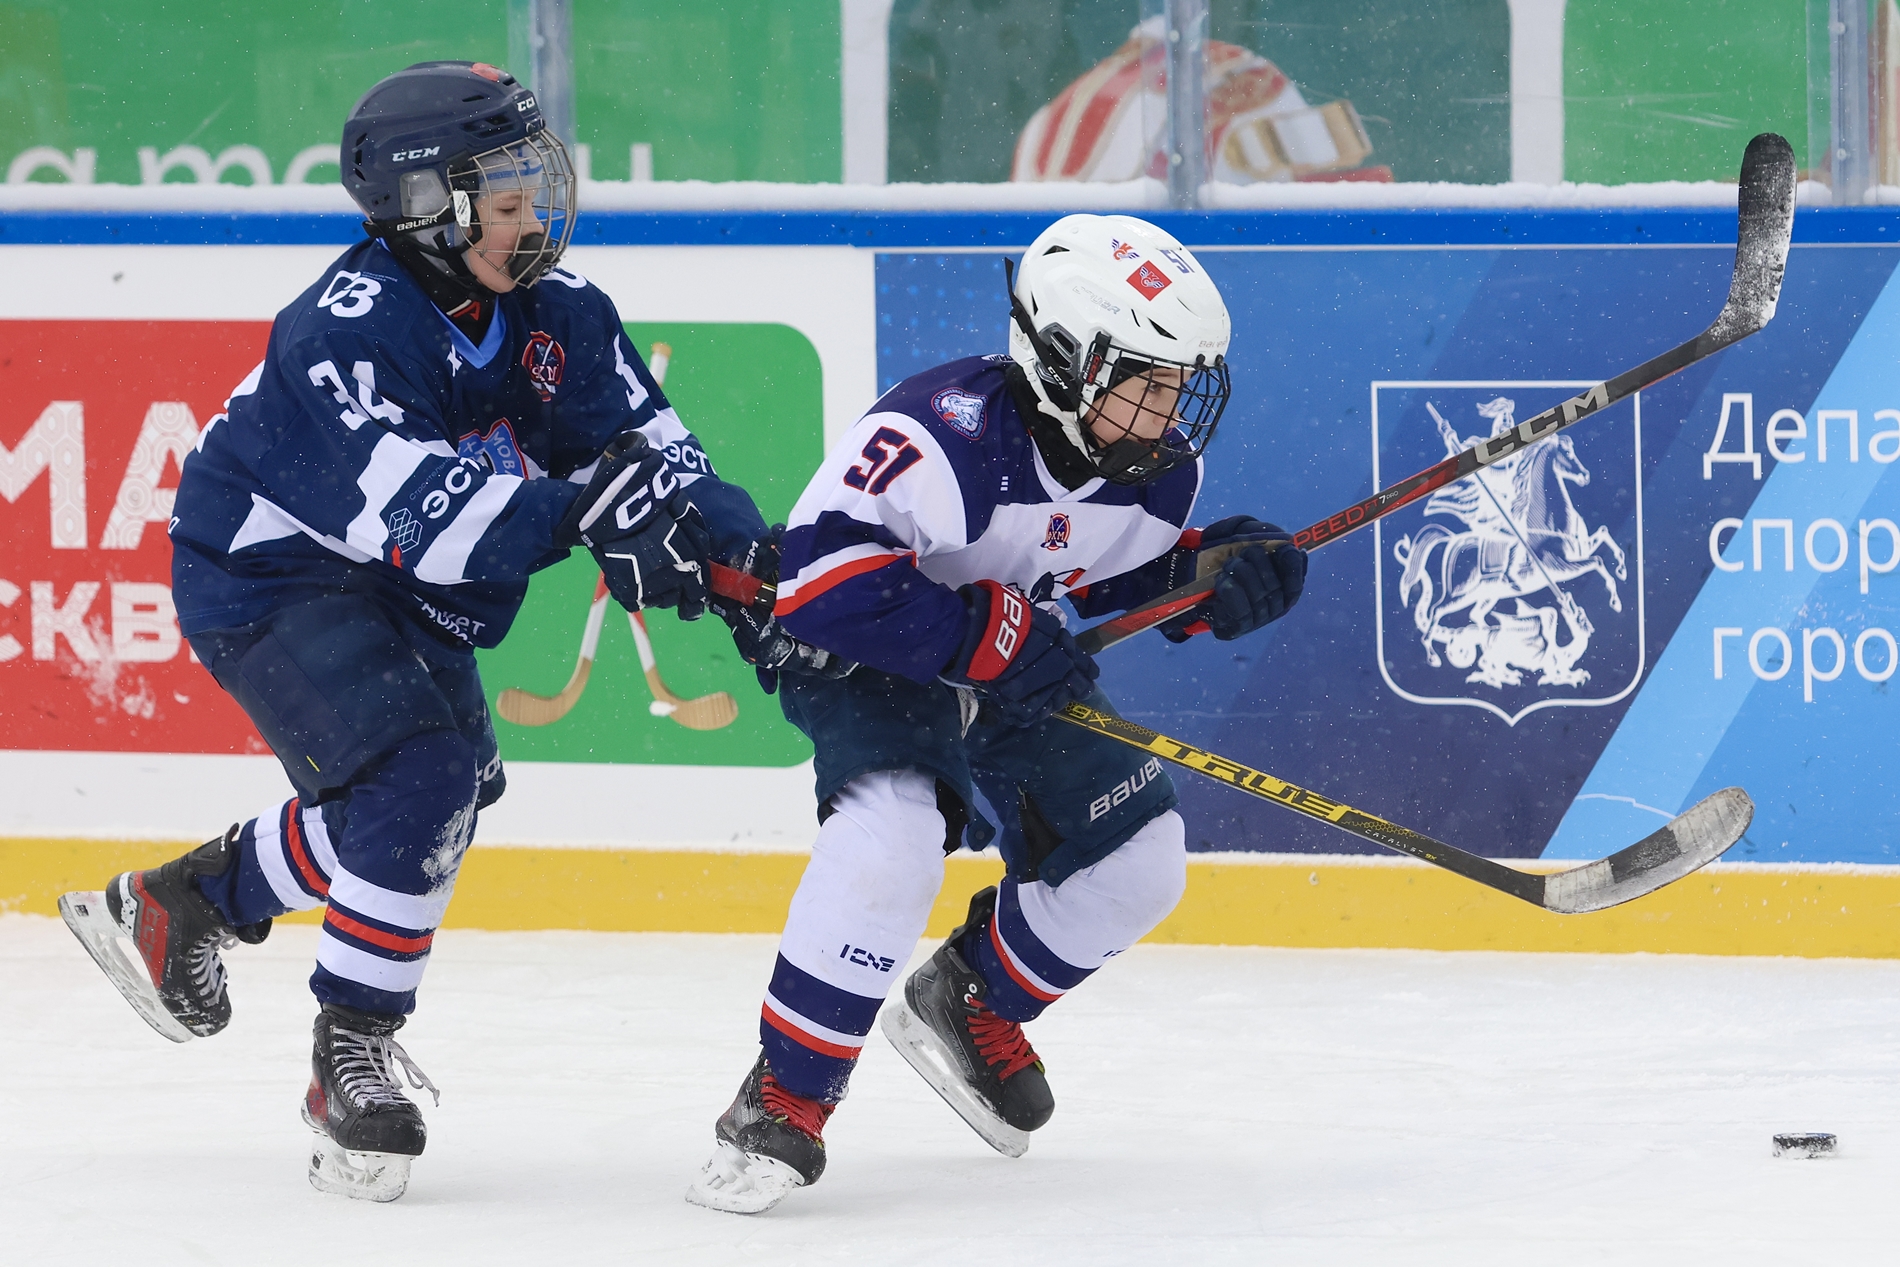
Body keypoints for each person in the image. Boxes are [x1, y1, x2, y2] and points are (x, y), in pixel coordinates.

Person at [58, 60, 766, 1203]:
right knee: (420, 782)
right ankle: (350, 1056)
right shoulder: (349, 330)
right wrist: (587, 509)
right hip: (268, 572)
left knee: (448, 791)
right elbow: (435, 526)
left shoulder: (561, 313)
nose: (533, 214)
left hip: (386, 581)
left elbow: (666, 462)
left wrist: (757, 572)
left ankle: (186, 902)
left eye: (537, 184)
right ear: (425, 207)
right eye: (502, 196)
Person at [686, 213, 1310, 1214]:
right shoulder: (936, 436)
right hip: (863, 660)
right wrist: (992, 632)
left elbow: (1104, 578)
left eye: (1175, 384)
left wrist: (1210, 579)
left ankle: (970, 995)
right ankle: (783, 1095)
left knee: (1139, 860)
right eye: (1143, 381)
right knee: (894, 844)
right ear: (1063, 361)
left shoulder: (1154, 466)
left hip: (1004, 665)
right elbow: (819, 583)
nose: (1166, 410)